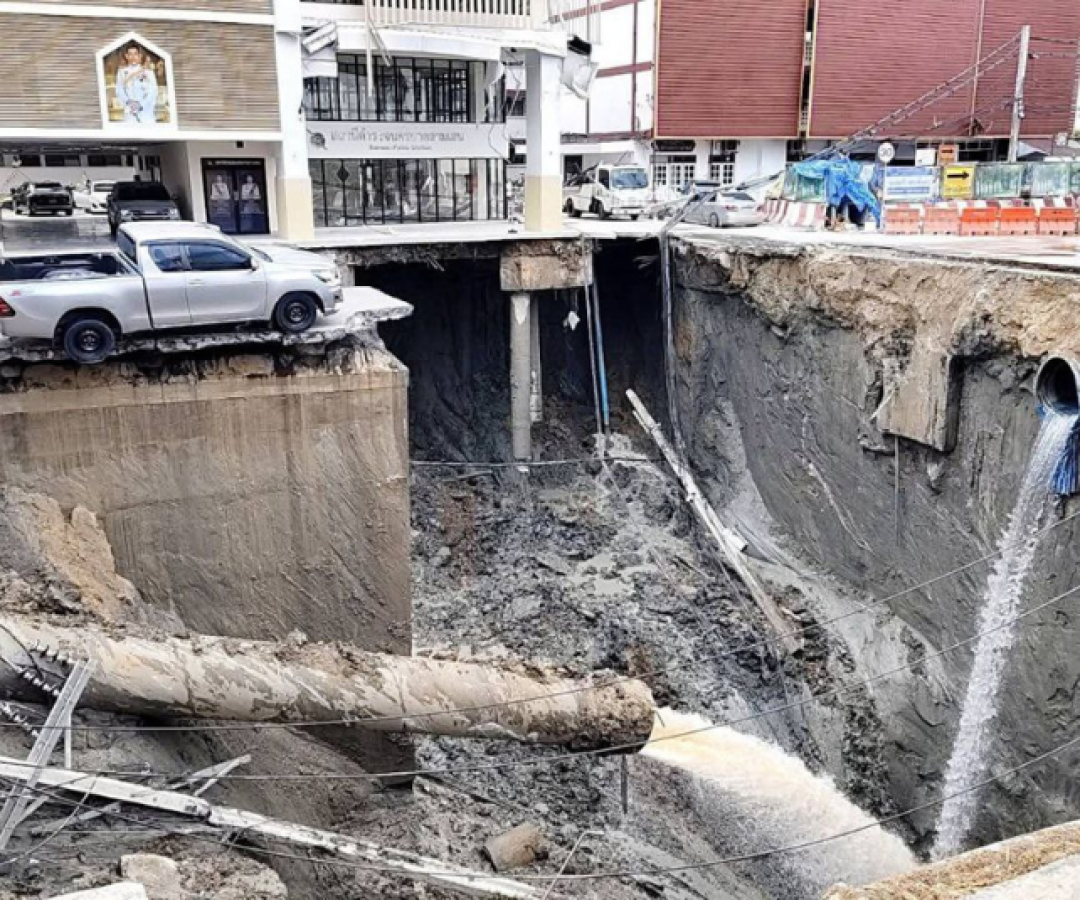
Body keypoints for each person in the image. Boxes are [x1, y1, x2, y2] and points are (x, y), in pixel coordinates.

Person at [115, 44, 159, 124]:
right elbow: (119, 90)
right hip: (130, 113)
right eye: (130, 54)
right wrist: (128, 102)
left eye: (135, 54)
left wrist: (140, 104)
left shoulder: (148, 71)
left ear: (140, 56)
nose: (133, 57)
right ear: (126, 56)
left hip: (146, 114)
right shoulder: (121, 72)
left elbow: (153, 91)